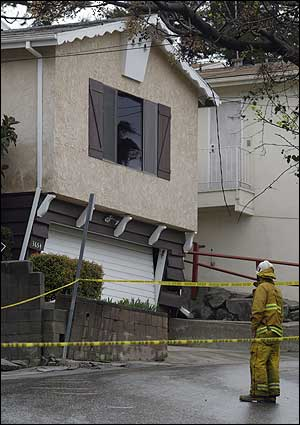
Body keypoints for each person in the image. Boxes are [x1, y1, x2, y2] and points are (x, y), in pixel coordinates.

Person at [240, 260, 283, 403]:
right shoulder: (277, 290)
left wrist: (253, 328)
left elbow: (258, 311)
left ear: (259, 274)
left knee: (258, 361)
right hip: (276, 332)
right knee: (272, 362)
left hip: (264, 331)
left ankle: (258, 393)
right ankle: (272, 394)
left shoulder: (262, 288)